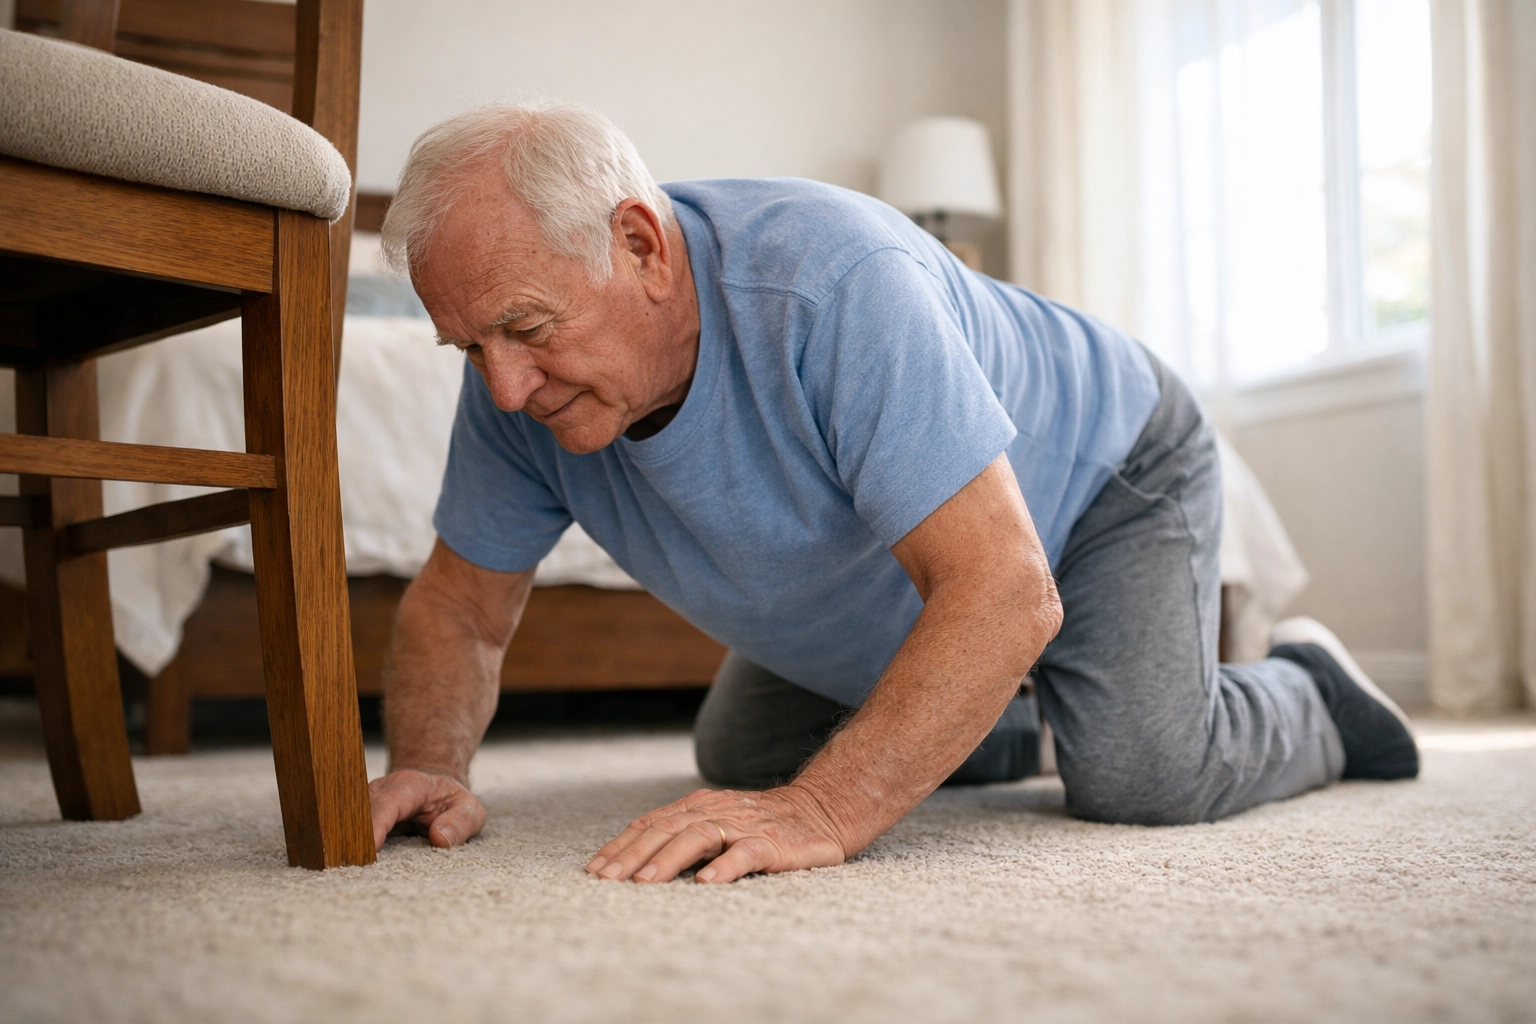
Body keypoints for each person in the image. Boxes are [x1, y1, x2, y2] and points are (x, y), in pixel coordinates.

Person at [366, 102, 1418, 884]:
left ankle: (1311, 691)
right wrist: (431, 763)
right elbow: (461, 608)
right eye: (468, 347)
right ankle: (1043, 703)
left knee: (1143, 776)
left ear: (639, 245)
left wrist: (828, 807)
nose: (503, 385)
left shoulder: (831, 283)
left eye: (527, 329)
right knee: (744, 754)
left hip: (1103, 478)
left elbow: (1005, 590)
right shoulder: (515, 394)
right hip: (909, 569)